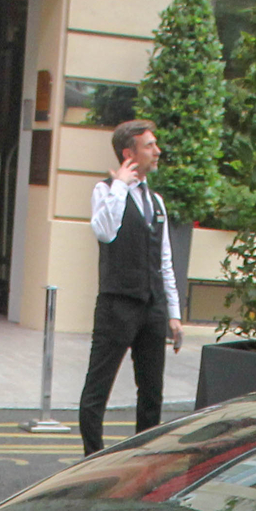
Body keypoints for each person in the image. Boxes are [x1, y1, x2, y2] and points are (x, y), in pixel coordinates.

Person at [79, 118, 183, 456]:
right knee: (98, 390)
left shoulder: (156, 201)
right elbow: (105, 231)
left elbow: (164, 258)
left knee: (152, 393)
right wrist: (120, 185)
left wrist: (173, 313)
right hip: (117, 304)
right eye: (149, 145)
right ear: (129, 153)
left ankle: (143, 461)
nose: (158, 150)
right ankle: (92, 459)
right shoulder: (105, 190)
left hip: (152, 306)